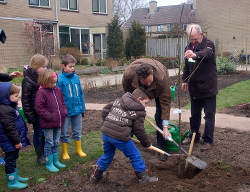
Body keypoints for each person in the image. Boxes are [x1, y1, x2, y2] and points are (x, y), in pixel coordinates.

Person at [90, 88, 158, 184]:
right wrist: (147, 144)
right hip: (120, 137)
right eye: (146, 103)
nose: (146, 106)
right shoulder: (139, 111)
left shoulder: (119, 101)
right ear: (139, 99)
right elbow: (139, 130)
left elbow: (106, 109)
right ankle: (144, 179)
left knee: (107, 155)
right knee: (135, 155)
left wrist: (109, 123)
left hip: (106, 133)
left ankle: (95, 175)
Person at [122, 58, 172, 162]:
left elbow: (165, 103)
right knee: (132, 113)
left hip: (159, 86)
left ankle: (161, 147)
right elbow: (127, 94)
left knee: (160, 115)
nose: (148, 84)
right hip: (136, 89)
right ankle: (128, 139)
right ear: (138, 79)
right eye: (145, 82)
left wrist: (165, 127)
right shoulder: (129, 76)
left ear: (152, 73)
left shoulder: (161, 78)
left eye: (150, 81)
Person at [181, 23, 218, 152]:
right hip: (195, 87)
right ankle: (194, 136)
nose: (193, 42)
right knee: (194, 114)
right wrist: (185, 80)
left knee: (209, 115)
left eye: (195, 39)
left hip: (208, 87)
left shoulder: (209, 45)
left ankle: (208, 140)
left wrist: (194, 55)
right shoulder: (188, 47)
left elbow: (206, 53)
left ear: (201, 35)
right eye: (191, 39)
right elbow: (187, 66)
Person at [35, 69, 67, 172]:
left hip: (58, 122)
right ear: (44, 81)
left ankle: (56, 160)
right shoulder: (41, 92)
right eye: (52, 82)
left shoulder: (57, 90)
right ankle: (49, 163)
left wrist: (64, 112)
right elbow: (39, 108)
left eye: (55, 81)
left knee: (56, 142)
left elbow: (62, 103)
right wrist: (49, 116)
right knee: (49, 143)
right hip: (48, 123)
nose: (54, 84)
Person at [0, 82, 31, 189]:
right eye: (16, 96)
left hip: (12, 140)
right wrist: (17, 141)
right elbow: (9, 129)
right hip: (9, 141)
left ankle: (16, 176)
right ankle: (12, 181)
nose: (18, 99)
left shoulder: (10, 106)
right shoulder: (5, 110)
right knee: (10, 160)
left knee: (13, 158)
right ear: (5, 96)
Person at [56, 54, 86, 160]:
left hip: (77, 110)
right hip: (66, 112)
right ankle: (65, 152)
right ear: (63, 66)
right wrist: (61, 110)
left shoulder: (76, 77)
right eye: (70, 66)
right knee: (64, 132)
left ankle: (78, 149)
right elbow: (58, 96)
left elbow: (81, 93)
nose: (73, 68)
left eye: (73, 66)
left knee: (77, 131)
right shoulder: (59, 79)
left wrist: (82, 108)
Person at [21, 54, 48, 164]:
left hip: (45, 111)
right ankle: (40, 155)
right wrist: (30, 115)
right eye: (43, 67)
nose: (45, 69)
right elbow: (25, 99)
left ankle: (46, 152)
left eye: (46, 66)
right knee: (38, 133)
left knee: (45, 133)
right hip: (35, 112)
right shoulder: (28, 80)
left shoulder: (43, 76)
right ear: (36, 66)